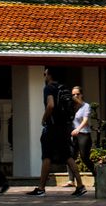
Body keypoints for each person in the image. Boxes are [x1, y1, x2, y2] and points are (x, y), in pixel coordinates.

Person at [27, 67, 87, 197]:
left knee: (47, 155)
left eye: (45, 73)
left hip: (53, 126)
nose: (44, 75)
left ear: (49, 74)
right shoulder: (64, 87)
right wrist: (69, 115)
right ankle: (81, 186)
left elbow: (51, 105)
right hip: (65, 126)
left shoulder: (49, 87)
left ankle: (41, 188)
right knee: (67, 155)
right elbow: (78, 102)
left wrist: (44, 118)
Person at [69, 88, 92, 184]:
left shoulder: (86, 106)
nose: (75, 96)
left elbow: (85, 120)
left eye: (77, 94)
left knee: (84, 157)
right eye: (73, 94)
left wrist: (78, 129)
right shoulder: (72, 107)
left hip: (83, 133)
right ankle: (71, 180)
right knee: (70, 156)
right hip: (74, 135)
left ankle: (96, 174)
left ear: (81, 95)